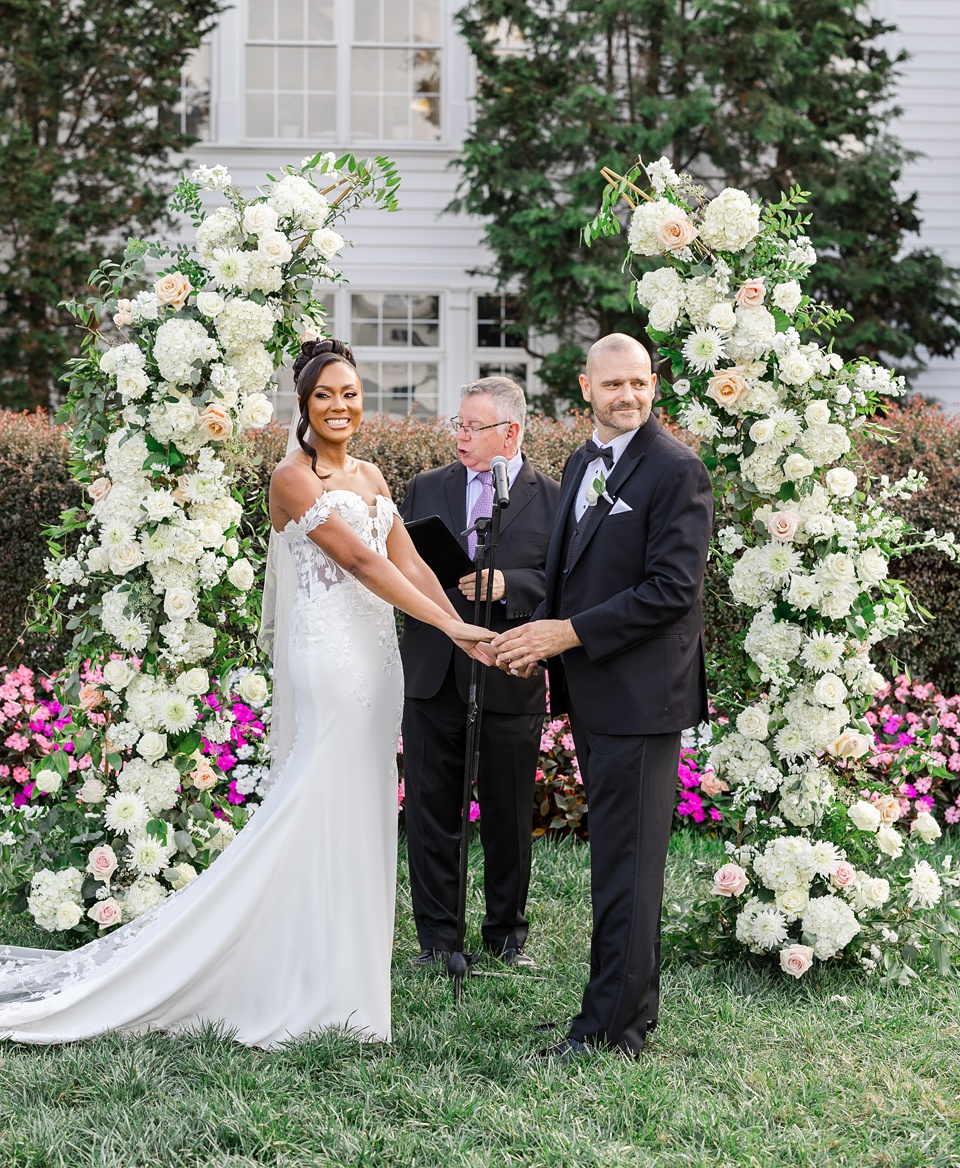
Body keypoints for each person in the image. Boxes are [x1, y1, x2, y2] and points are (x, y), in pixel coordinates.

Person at [0, 339, 492, 1047]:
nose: (340, 405)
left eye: (350, 392)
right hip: (328, 662)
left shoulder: (376, 475)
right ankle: (296, 976)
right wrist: (449, 625)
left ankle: (344, 978)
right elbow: (356, 559)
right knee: (314, 805)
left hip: (380, 663)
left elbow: (405, 560)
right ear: (304, 404)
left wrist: (466, 629)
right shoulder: (293, 479)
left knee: (362, 808)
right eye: (325, 394)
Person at [491, 334, 713, 1058]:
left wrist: (565, 635)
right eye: (613, 384)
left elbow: (671, 592)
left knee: (629, 868)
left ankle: (614, 1031)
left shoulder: (677, 470)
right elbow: (570, 573)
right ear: (585, 387)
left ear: (654, 387)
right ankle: (609, 1010)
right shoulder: (584, 461)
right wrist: (535, 643)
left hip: (644, 702)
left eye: (640, 384)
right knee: (613, 863)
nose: (629, 397)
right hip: (593, 694)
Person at [399, 377, 560, 968]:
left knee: (508, 814)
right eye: (458, 425)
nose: (460, 436)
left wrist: (509, 585)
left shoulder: (556, 498)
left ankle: (506, 938)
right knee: (430, 810)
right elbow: (399, 565)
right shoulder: (424, 488)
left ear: (511, 433)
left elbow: (566, 585)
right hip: (434, 670)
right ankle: (437, 941)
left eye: (473, 427)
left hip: (510, 670)